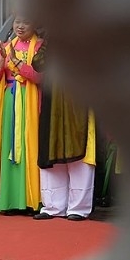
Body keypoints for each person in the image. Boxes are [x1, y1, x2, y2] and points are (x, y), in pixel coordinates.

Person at [0, 15, 46, 215]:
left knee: (29, 145)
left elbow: (39, 77)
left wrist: (16, 62)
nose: (20, 26)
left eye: (26, 22)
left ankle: (30, 199)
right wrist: (2, 60)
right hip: (9, 99)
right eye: (17, 21)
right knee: (8, 144)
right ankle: (9, 200)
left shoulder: (40, 47)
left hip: (28, 100)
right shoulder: (7, 44)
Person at [34, 83, 96, 221]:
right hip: (52, 96)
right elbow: (38, 64)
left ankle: (78, 208)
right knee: (51, 147)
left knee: (79, 143)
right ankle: (53, 206)